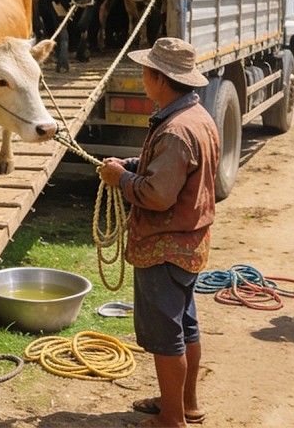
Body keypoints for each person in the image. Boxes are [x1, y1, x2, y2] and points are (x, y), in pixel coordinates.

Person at [98, 38, 218, 428]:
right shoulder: (196, 116)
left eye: (146, 73)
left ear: (160, 79)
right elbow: (176, 168)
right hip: (189, 244)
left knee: (167, 337)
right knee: (185, 326)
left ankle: (172, 418)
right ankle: (186, 404)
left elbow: (158, 195)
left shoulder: (175, 130)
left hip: (164, 248)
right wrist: (132, 165)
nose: (143, 78)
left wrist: (121, 179)